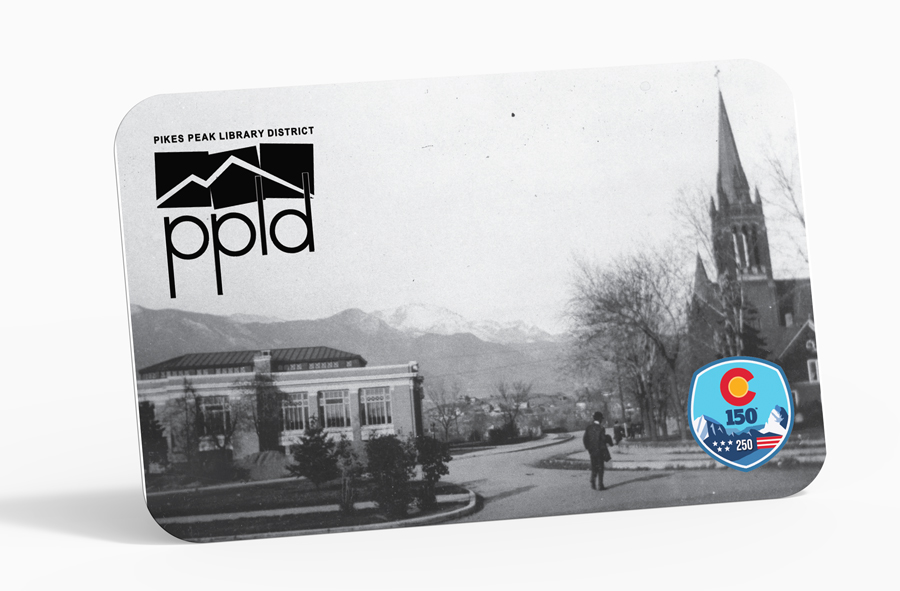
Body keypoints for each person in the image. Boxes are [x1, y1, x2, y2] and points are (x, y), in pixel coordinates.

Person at [583, 411, 610, 491]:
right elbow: (603, 439)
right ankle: (600, 485)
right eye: (601, 419)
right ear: (599, 419)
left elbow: (585, 439)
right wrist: (607, 438)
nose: (602, 420)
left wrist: (588, 448)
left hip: (592, 451)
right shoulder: (601, 428)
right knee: (600, 467)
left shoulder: (589, 427)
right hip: (600, 450)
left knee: (594, 466)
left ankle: (593, 481)